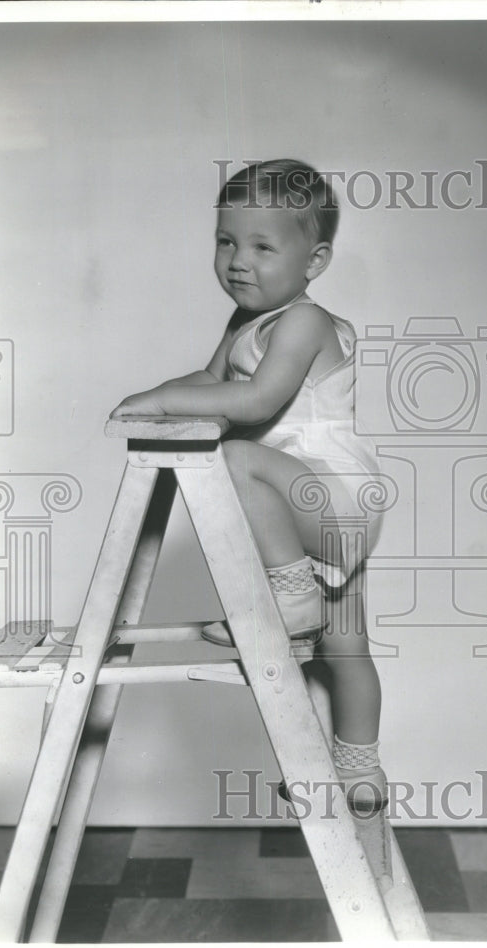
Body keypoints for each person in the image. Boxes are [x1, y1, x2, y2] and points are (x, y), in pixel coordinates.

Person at [111, 159, 386, 811]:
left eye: (263, 246)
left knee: (235, 454)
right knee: (345, 648)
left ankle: (290, 596)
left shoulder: (305, 323)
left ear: (314, 260)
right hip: (304, 507)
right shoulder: (244, 323)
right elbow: (211, 383)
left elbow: (258, 400)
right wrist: (150, 397)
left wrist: (165, 405)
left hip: (329, 495)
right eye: (227, 241)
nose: (238, 260)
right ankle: (358, 769)